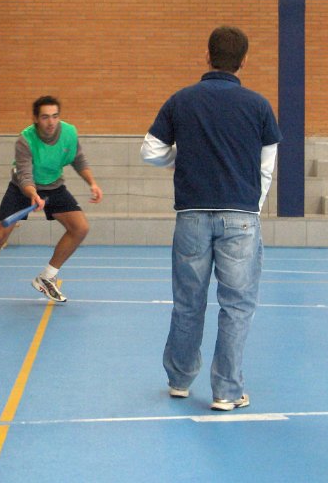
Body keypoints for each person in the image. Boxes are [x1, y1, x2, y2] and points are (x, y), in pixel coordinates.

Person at [141, 26, 281, 410]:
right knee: (236, 304)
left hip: (191, 216)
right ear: (244, 61)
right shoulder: (258, 106)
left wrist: (181, 161)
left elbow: (150, 151)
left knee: (188, 300)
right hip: (241, 215)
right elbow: (266, 168)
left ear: (207, 56)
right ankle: (226, 391)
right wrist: (253, 204)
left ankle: (180, 379)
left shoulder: (181, 100)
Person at [0, 96, 103, 306]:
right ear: (36, 119)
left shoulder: (69, 133)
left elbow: (78, 159)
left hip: (54, 186)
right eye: (45, 117)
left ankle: (47, 277)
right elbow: (24, 176)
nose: (51, 122)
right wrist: (33, 195)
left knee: (80, 228)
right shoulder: (25, 140)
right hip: (22, 189)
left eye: (55, 116)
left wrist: (92, 183)